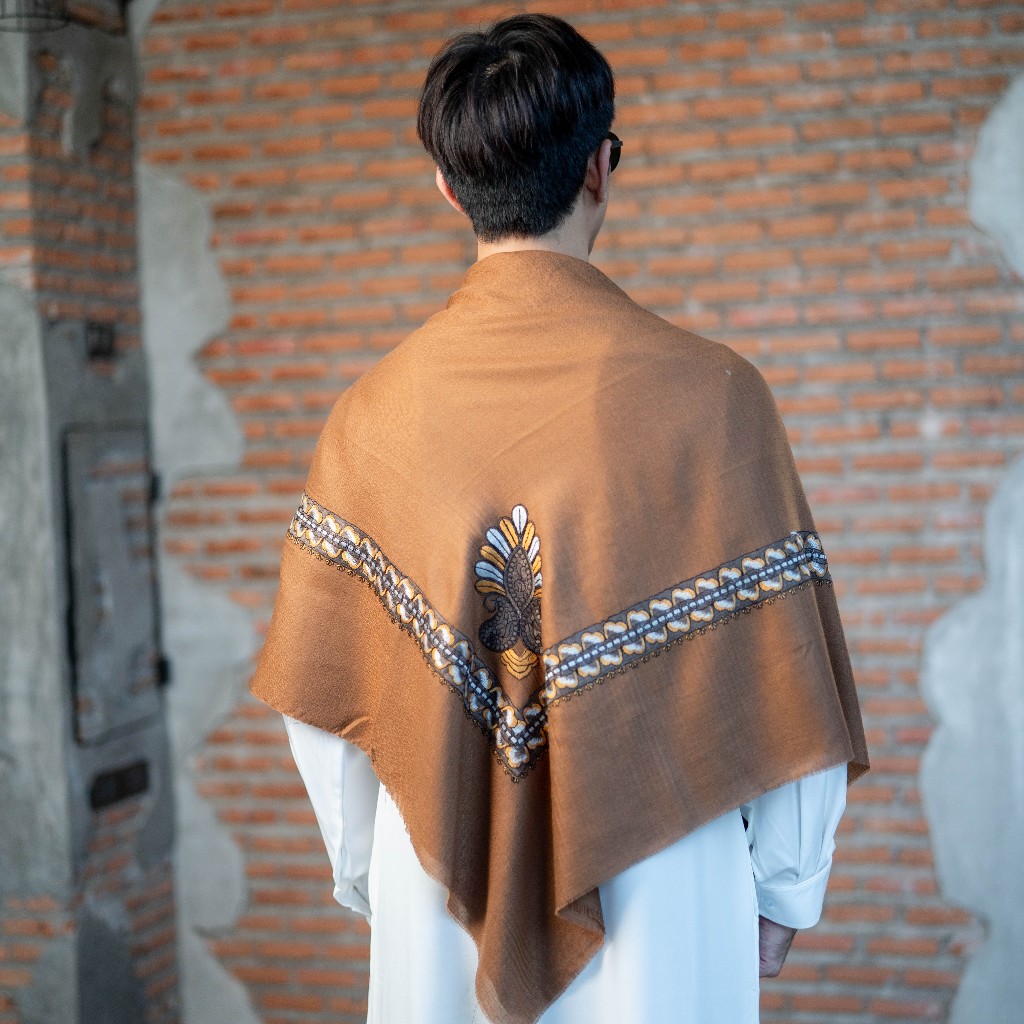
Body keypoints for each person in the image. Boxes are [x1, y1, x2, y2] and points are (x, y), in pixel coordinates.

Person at [250, 13, 870, 1024]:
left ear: (448, 187)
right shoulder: (718, 396)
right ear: (599, 168)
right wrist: (786, 887)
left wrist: (377, 876)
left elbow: (324, 703)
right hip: (670, 874)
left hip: (440, 873)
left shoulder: (368, 418)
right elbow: (788, 669)